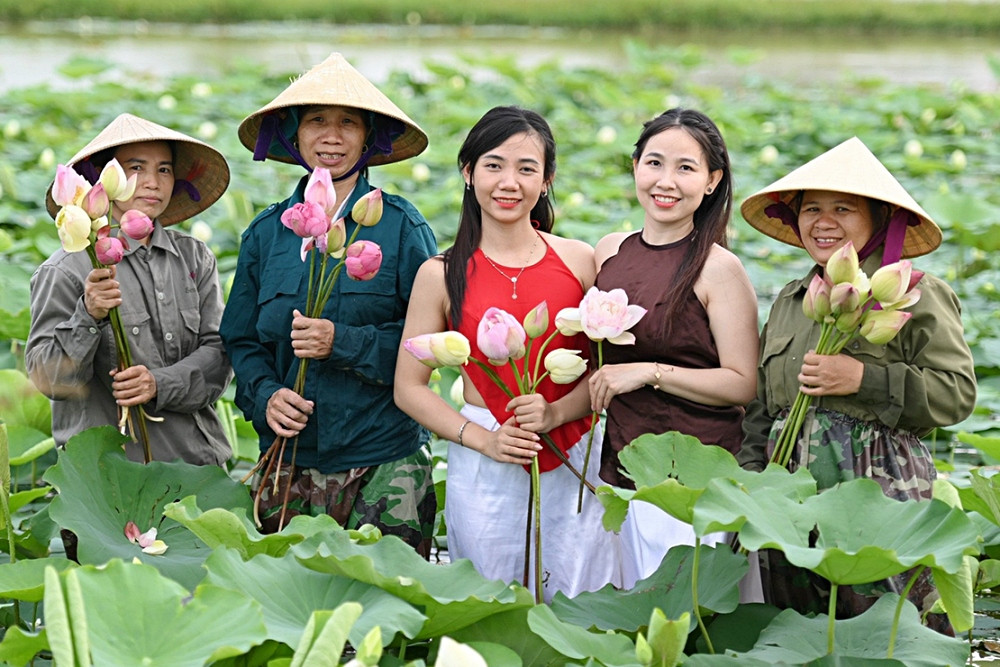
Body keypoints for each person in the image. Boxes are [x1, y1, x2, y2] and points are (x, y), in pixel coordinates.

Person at [737, 136, 977, 631]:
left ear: (879, 217)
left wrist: (863, 378)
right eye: (811, 209)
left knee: (890, 633)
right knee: (797, 632)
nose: (823, 222)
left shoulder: (916, 294)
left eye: (843, 208)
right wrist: (753, 486)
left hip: (881, 491)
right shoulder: (792, 299)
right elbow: (763, 407)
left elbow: (956, 393)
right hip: (789, 498)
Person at [394, 106, 621, 601]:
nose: (509, 182)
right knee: (487, 602)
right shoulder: (442, 273)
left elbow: (608, 370)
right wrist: (483, 440)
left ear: (547, 181)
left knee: (579, 598)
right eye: (494, 165)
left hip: (575, 448)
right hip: (485, 458)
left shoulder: (580, 260)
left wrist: (559, 409)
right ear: (468, 171)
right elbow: (408, 387)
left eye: (526, 168)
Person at [220, 53, 438, 555]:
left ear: (368, 138)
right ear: (294, 135)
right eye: (317, 121)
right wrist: (266, 395)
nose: (332, 137)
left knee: (387, 618)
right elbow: (240, 340)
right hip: (287, 460)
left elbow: (428, 344)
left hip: (385, 460)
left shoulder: (403, 228)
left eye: (348, 124)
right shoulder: (266, 233)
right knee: (292, 618)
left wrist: (343, 342)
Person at [587, 108, 759, 588]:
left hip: (690, 480)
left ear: (711, 181)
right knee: (624, 617)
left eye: (686, 168)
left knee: (678, 620)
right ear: (635, 166)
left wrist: (648, 371)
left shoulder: (719, 269)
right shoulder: (608, 251)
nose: (666, 181)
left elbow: (743, 384)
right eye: (654, 163)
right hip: (619, 466)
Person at [26, 113, 233, 466]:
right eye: (135, 168)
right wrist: (88, 315)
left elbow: (219, 353)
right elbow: (51, 380)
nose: (152, 182)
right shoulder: (65, 269)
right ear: (103, 182)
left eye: (164, 170)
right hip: (110, 476)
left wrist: (159, 383)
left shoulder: (195, 256)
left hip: (197, 464)